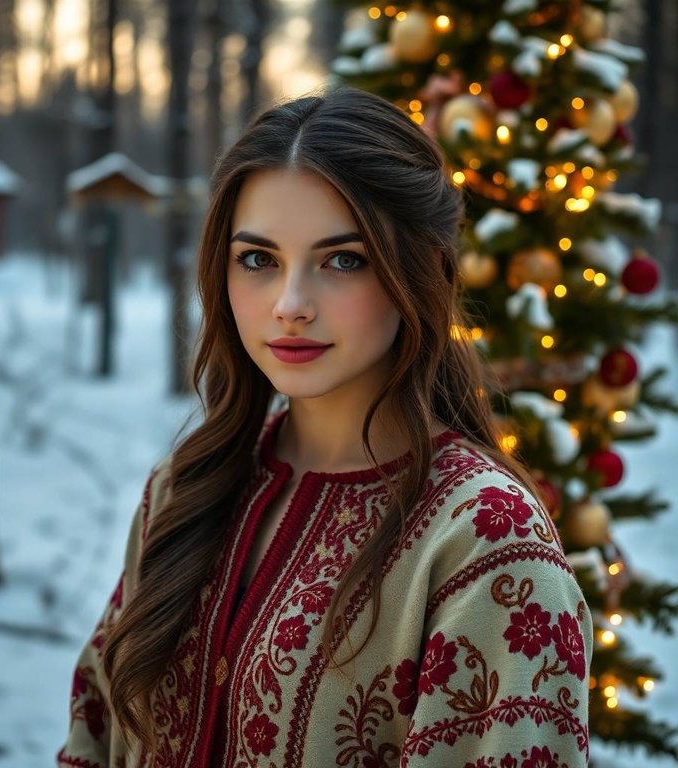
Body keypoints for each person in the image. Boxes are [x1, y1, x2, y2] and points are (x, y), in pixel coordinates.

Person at [57, 86, 592, 768]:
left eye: (344, 259)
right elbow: (95, 733)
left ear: (421, 270)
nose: (290, 305)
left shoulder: (485, 542)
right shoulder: (186, 486)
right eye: (258, 259)